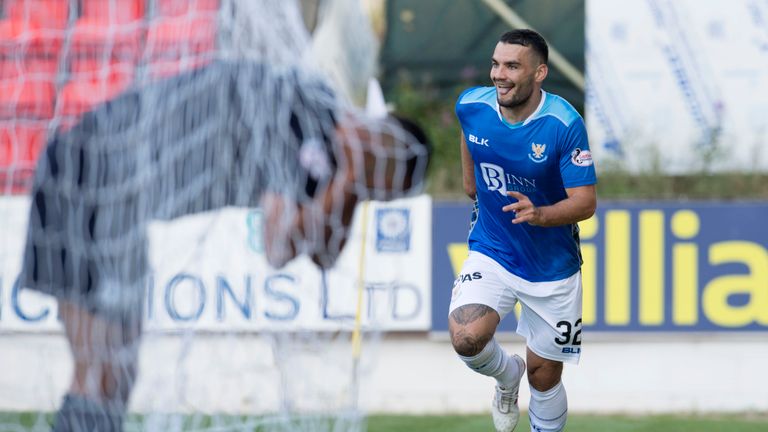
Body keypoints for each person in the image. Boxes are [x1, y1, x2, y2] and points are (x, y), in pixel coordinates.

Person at [19, 60, 430, 432]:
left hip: (117, 207)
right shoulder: (305, 108)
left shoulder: (326, 158)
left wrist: (350, 182)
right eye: (379, 189)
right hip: (82, 176)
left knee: (115, 376)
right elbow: (279, 245)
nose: (369, 196)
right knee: (101, 373)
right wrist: (351, 179)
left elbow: (324, 254)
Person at [450, 29, 596, 432]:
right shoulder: (472, 105)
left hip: (551, 267)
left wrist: (541, 214)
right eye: (496, 64)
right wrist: (470, 182)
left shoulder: (563, 123)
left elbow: (585, 202)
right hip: (493, 249)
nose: (500, 74)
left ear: (539, 73)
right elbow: (468, 129)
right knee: (466, 337)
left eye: (512, 66)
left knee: (544, 376)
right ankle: (506, 376)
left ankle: (530, 391)